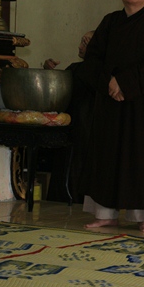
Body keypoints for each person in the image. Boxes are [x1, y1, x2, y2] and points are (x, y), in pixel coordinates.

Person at [79, 0, 144, 233]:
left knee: (141, 156)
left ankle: (143, 216)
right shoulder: (109, 22)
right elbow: (92, 59)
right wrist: (110, 82)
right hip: (109, 102)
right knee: (106, 156)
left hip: (142, 103)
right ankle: (105, 214)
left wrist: (124, 84)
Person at [43, 31, 95, 204]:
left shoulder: (104, 72)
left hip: (90, 128)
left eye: (85, 43)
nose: (80, 47)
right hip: (71, 126)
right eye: (81, 42)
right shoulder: (75, 69)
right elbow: (57, 89)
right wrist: (49, 71)